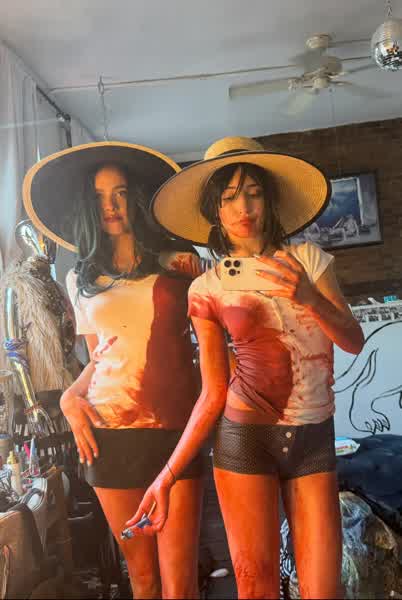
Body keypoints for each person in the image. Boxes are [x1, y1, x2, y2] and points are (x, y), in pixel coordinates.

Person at [127, 136, 364, 599]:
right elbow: (212, 391)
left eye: (253, 193)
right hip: (245, 438)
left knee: (324, 590)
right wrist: (167, 476)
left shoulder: (309, 260)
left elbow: (352, 341)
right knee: (257, 590)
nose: (244, 207)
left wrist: (309, 297)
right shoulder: (207, 288)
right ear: (215, 210)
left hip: (313, 436)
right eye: (230, 197)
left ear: (268, 200)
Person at [22, 142, 204, 600]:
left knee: (180, 582)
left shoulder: (178, 263)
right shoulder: (80, 279)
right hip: (110, 437)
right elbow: (99, 358)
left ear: (135, 197)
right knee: (142, 579)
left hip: (176, 430)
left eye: (120, 193)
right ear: (88, 206)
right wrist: (70, 397)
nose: (111, 205)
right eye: (100, 196)